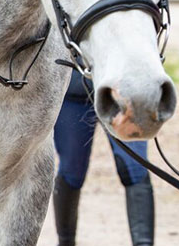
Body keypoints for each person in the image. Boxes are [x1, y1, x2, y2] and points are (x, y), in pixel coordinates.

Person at [53, 69, 155, 246]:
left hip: (124, 90)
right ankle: (65, 242)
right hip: (74, 91)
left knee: (135, 169)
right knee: (71, 172)